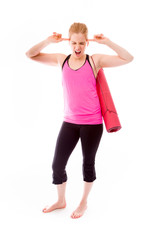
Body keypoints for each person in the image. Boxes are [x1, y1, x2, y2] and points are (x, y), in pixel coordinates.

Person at [26, 22, 133, 219]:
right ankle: (61, 200)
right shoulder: (61, 60)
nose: (78, 47)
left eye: (82, 43)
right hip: (69, 122)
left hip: (92, 124)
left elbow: (128, 58)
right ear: (69, 42)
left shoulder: (94, 61)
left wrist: (108, 42)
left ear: (87, 43)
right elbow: (30, 54)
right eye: (74, 43)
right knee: (57, 165)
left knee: (88, 164)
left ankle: (83, 202)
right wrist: (48, 41)